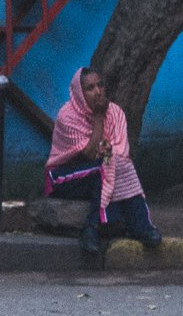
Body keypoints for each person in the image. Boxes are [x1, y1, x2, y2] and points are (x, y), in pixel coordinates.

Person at [47, 65, 163, 263]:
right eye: (90, 88)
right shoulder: (67, 117)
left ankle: (143, 227)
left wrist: (107, 155)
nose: (98, 91)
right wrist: (98, 118)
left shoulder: (116, 113)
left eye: (100, 85)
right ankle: (96, 227)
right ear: (79, 93)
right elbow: (90, 154)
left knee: (122, 167)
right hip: (63, 177)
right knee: (103, 168)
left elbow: (121, 152)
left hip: (102, 169)